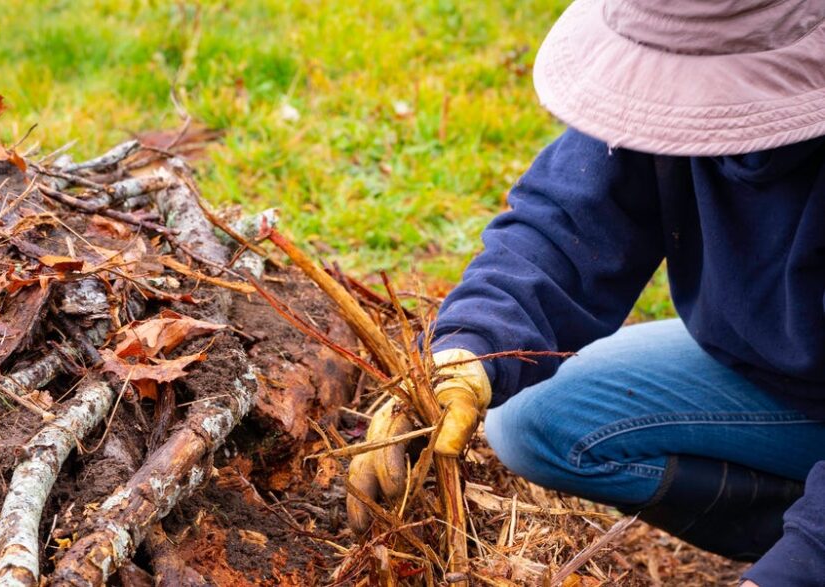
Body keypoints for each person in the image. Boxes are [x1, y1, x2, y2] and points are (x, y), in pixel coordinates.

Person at [345, 0, 825, 584]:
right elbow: (568, 222)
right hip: (780, 383)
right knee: (535, 421)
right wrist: (466, 351)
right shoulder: (674, 70)